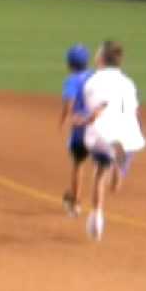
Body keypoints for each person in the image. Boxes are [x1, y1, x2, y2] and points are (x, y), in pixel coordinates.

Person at [81, 40, 146, 241]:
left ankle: (97, 216)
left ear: (101, 59)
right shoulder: (128, 83)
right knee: (124, 143)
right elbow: (134, 111)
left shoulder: (92, 81)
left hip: (102, 134)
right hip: (126, 133)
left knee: (100, 170)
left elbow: (93, 110)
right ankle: (119, 166)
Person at [60, 44, 94, 217]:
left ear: (69, 63)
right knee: (100, 163)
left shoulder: (72, 80)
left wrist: (63, 120)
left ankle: (76, 203)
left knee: (78, 164)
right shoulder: (95, 76)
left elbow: (69, 104)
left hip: (80, 129)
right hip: (98, 126)